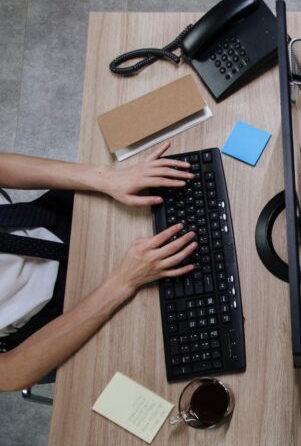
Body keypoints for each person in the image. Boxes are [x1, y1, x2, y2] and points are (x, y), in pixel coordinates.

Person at [0, 142, 196, 391]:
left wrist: (105, 178)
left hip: (43, 221)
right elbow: (9, 373)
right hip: (54, 317)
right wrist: (122, 283)